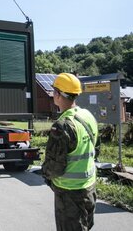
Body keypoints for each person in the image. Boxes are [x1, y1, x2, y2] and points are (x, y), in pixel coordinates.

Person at [42, 73, 99, 231]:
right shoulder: (88, 116)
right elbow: (96, 149)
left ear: (58, 95)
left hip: (69, 195)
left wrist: (45, 174)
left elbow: (55, 166)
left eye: (54, 91)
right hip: (89, 189)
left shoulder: (63, 126)